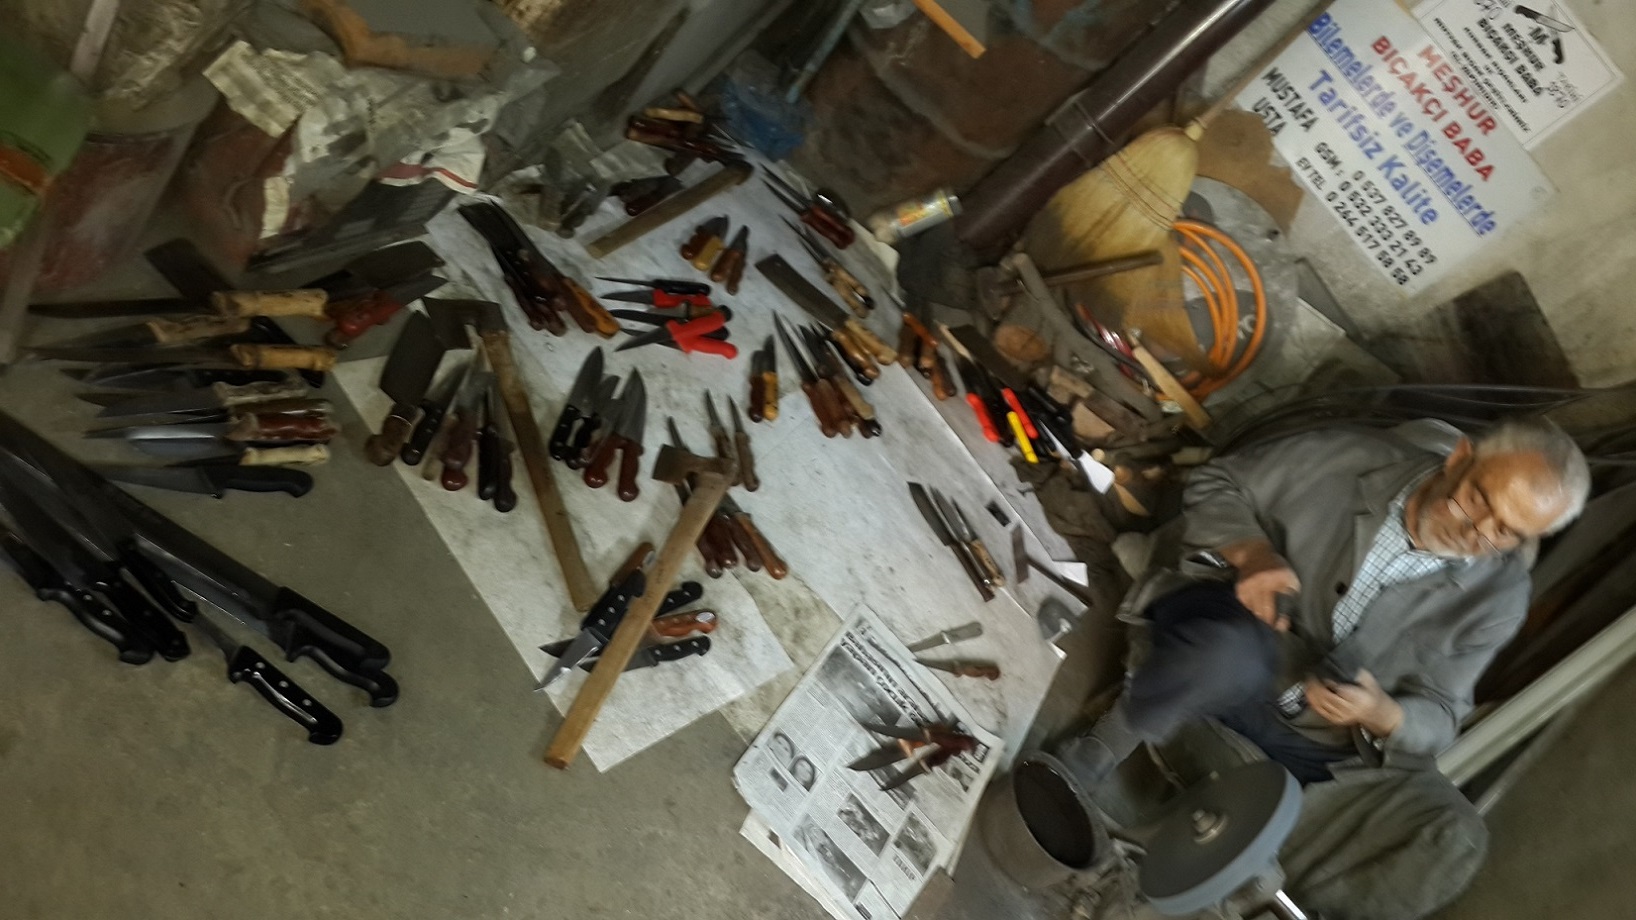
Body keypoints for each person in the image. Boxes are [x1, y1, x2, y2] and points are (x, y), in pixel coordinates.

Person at [1045, 417, 1590, 916]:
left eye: (1505, 532)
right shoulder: (1350, 456)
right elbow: (1217, 481)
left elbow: (1444, 711)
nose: (1476, 534)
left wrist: (1386, 714)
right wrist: (1253, 553)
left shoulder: (1500, 595)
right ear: (1459, 459)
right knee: (1233, 650)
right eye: (1476, 500)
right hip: (1234, 648)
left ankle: (1265, 905)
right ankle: (1100, 748)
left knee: (1454, 834)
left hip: (1322, 735)